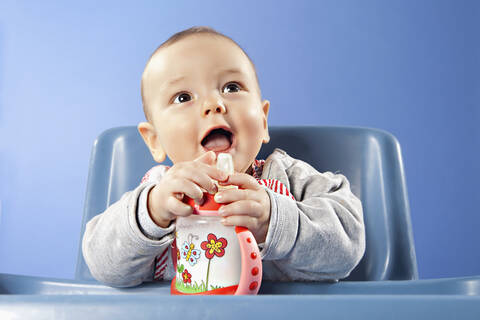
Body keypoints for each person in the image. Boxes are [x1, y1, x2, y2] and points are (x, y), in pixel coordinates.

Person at [82, 26, 365, 287]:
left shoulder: (290, 179)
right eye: (183, 97)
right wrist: (153, 212)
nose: (214, 104)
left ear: (263, 121)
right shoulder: (157, 195)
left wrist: (273, 222)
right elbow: (101, 263)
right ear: (155, 140)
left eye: (231, 88)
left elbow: (349, 243)